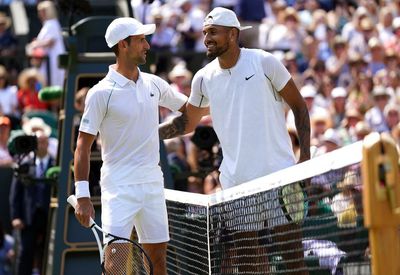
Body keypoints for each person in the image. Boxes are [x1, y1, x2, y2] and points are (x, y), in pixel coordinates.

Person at [159, 7, 310, 274]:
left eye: (213, 32)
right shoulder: (203, 78)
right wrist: (153, 132)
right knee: (250, 266)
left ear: (232, 34)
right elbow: (189, 122)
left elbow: (299, 107)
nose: (206, 38)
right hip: (236, 184)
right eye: (205, 33)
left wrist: (305, 162)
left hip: (280, 178)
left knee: (294, 264)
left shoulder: (265, 62)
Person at [72, 17, 187, 275]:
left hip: (152, 185)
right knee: (114, 267)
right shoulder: (101, 93)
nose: (147, 45)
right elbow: (82, 146)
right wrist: (82, 196)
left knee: (158, 261)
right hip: (119, 188)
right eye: (141, 40)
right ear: (123, 45)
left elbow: (189, 108)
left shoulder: (154, 83)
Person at [9, 127, 55, 275]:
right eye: (38, 142)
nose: (41, 145)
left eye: (44, 142)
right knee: (25, 253)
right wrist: (16, 216)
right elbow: (15, 193)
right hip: (28, 217)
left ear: (48, 143)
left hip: (49, 217)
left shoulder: (56, 164)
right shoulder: (25, 164)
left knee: (48, 253)